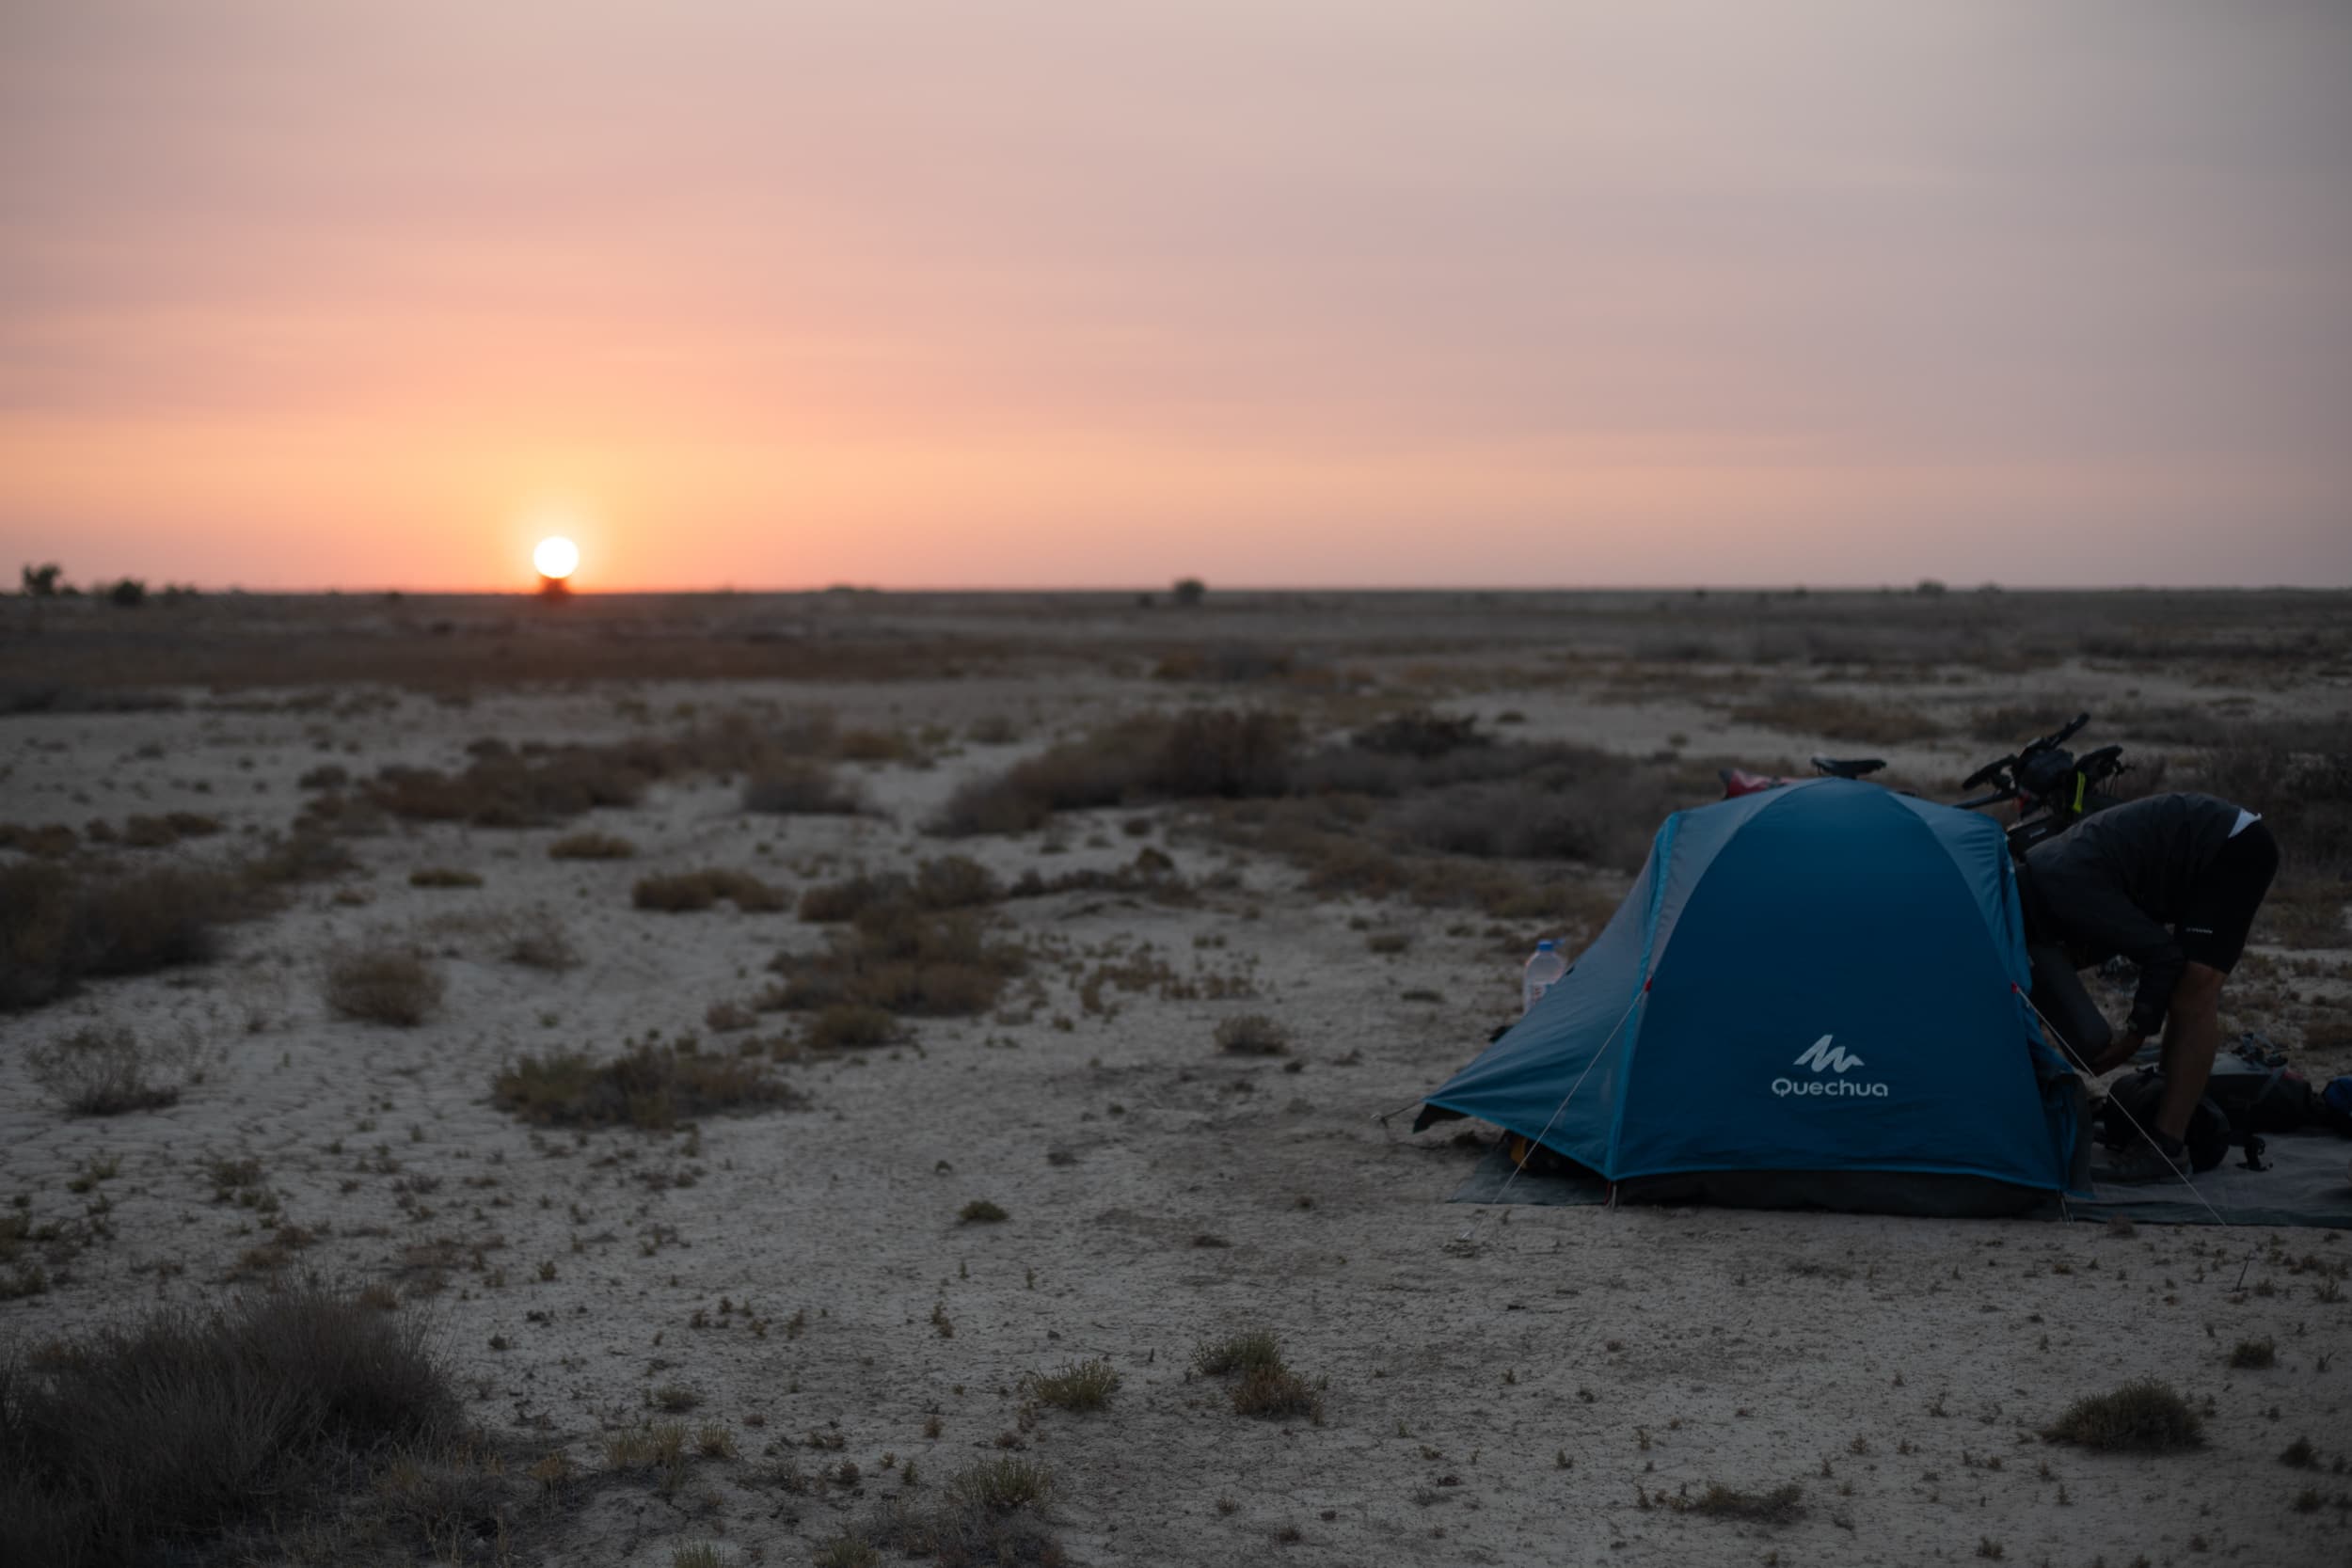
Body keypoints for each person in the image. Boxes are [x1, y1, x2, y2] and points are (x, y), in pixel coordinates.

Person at [2021, 792, 2277, 1181]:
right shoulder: (2044, 879)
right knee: (2178, 989)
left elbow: (2163, 955)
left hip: (2231, 848)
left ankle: (2166, 1147)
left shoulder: (2065, 888)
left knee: (2193, 991)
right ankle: (2158, 1121)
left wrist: (2135, 1035)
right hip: (2186, 856)